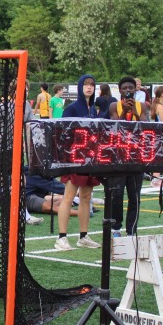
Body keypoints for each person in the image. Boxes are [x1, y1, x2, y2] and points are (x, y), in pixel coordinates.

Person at [55, 74, 101, 250]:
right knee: (68, 197)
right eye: (86, 84)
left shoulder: (93, 109)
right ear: (80, 87)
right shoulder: (72, 108)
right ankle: (61, 237)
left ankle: (83, 236)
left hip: (89, 158)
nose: (89, 87)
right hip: (74, 158)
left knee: (86, 197)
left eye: (92, 84)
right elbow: (63, 133)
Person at [107, 76, 149, 237]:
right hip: (119, 155)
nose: (128, 91)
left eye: (130, 88)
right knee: (117, 194)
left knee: (134, 195)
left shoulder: (141, 106)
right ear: (120, 90)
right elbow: (114, 126)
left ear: (135, 89)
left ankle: (132, 230)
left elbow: (145, 126)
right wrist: (124, 111)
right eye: (124, 88)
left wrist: (135, 113)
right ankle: (116, 228)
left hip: (136, 155)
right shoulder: (114, 106)